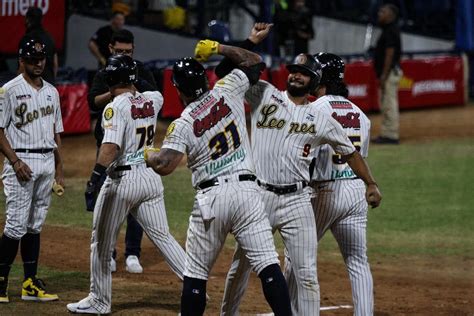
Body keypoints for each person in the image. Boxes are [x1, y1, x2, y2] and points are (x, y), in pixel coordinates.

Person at [216, 24, 382, 316]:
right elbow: (225, 73)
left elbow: (350, 152)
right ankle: (227, 313)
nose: (295, 74)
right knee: (241, 264)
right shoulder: (264, 93)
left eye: (303, 72)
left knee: (306, 274)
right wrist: (249, 42)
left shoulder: (321, 117)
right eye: (293, 70)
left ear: (314, 80)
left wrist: (370, 182)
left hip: (298, 202)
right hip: (260, 198)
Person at [145, 41, 292, 315]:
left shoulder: (183, 122)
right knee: (268, 266)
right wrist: (218, 47)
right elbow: (254, 60)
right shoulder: (228, 88)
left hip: (212, 200)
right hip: (248, 193)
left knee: (196, 274)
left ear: (177, 89)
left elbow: (165, 165)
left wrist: (148, 155)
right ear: (204, 78)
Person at [66, 55, 186, 314]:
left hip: (122, 180)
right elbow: (148, 86)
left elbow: (110, 147)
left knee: (101, 241)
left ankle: (99, 301)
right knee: (164, 237)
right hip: (150, 178)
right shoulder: (153, 99)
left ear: (111, 79)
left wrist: (95, 178)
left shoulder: (114, 106)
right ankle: (195, 288)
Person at [284, 52, 375, 315]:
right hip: (356, 190)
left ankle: (288, 310)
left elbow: (303, 157)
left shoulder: (315, 110)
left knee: (295, 254)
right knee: (358, 261)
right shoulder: (360, 114)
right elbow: (359, 157)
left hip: (325, 191)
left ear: (320, 76)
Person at [0, 38, 64, 303]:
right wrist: (15, 162)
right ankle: (0, 283)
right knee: (15, 225)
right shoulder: (9, 90)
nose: (39, 63)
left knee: (34, 226)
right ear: (21, 60)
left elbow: (55, 133)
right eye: (33, 59)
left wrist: (59, 168)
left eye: (42, 59)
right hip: (21, 163)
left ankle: (29, 284)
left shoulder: (52, 91)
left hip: (46, 161)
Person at [87, 29, 156, 274]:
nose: (124, 54)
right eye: (119, 51)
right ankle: (109, 253)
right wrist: (114, 92)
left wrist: (129, 87)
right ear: (110, 48)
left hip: (135, 150)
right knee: (108, 204)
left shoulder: (142, 71)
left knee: (134, 206)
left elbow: (152, 98)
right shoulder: (106, 72)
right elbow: (92, 102)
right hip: (107, 146)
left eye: (128, 51)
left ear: (133, 49)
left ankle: (133, 253)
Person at [371, 4, 402, 144]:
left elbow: (390, 53)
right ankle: (387, 133)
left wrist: (384, 74)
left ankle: (391, 135)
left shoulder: (390, 30)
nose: (379, 13)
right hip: (388, 72)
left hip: (389, 73)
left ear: (391, 15)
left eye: (383, 11)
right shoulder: (388, 29)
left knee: (389, 103)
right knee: (386, 103)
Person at [18, 7, 58, 84]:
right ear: (41, 20)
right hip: (48, 84)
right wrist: (51, 82)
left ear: (27, 19)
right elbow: (55, 64)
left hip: (29, 87)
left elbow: (22, 67)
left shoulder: (26, 39)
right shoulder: (49, 38)